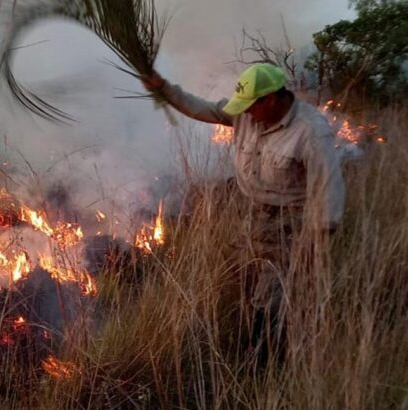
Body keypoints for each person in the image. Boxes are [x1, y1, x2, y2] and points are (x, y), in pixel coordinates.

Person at [143, 63, 345, 365]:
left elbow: (329, 193)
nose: (244, 113)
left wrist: (312, 246)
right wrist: (163, 88)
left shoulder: (310, 133)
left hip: (291, 223)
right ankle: (277, 326)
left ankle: (262, 364)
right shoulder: (246, 113)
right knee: (245, 279)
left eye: (251, 106)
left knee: (270, 295)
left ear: (272, 99)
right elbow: (202, 109)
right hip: (253, 216)